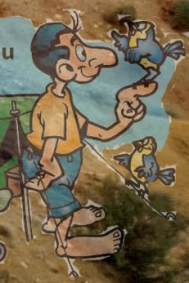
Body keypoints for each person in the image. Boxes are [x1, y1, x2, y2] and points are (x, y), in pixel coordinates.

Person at [21, 20, 159, 260]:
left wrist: (123, 121)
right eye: (81, 52)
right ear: (63, 69)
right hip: (51, 163)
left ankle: (55, 220)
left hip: (67, 160)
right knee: (63, 203)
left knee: (60, 202)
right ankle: (65, 245)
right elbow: (48, 147)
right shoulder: (52, 105)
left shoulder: (65, 100)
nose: (93, 59)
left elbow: (99, 133)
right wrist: (50, 170)